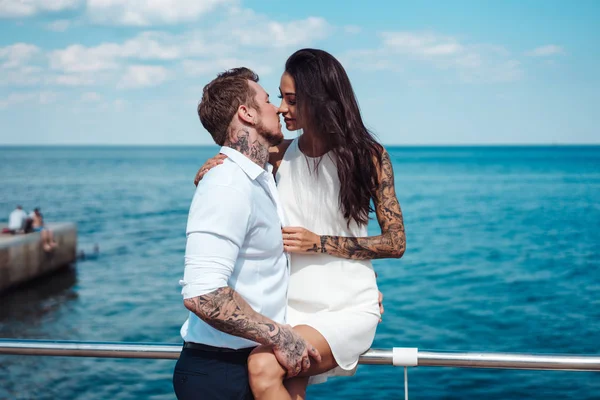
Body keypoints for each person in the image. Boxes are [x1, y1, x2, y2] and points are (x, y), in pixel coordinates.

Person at [194, 49, 406, 400]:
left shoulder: (368, 156)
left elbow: (396, 243)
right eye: (279, 98)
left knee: (262, 368)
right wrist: (213, 166)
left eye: (291, 100)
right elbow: (232, 176)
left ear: (319, 99)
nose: (281, 108)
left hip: (348, 306)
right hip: (289, 310)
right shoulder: (279, 155)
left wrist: (318, 242)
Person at [173, 67, 321, 400]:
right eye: (269, 100)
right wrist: (281, 337)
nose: (279, 109)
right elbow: (203, 294)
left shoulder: (260, 178)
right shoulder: (227, 183)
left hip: (253, 365)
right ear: (247, 113)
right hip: (222, 374)